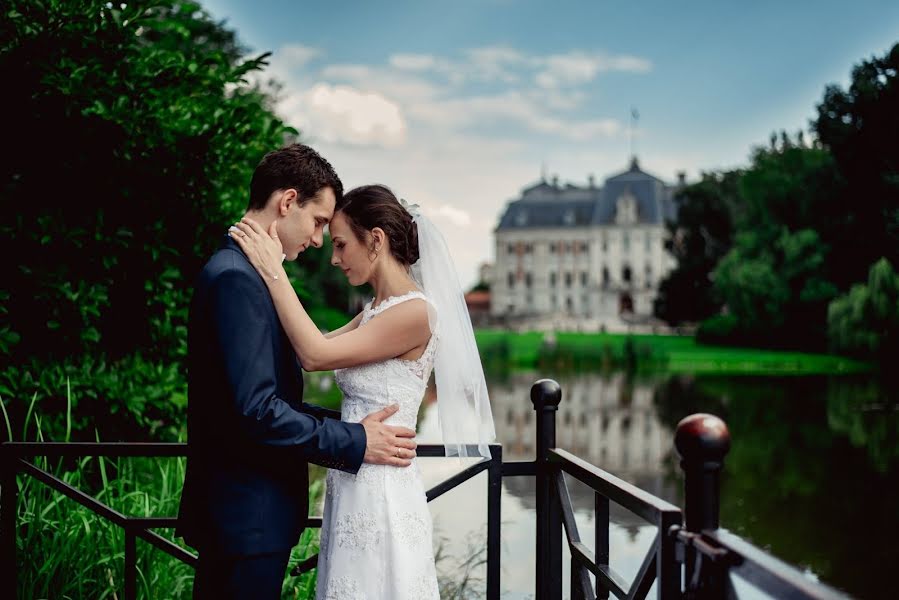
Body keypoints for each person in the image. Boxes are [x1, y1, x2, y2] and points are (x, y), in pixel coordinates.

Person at [230, 183, 495, 599]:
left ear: (375, 240)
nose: (333, 259)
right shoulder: (374, 311)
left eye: (339, 245)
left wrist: (273, 271)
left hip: (383, 490)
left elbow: (316, 354)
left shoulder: (415, 312)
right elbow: (308, 349)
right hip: (353, 473)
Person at [177, 146, 419, 600]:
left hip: (247, 517)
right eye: (319, 223)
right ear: (287, 202)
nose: (317, 241)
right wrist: (355, 441)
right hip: (246, 519)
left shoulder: (243, 272)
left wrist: (349, 428)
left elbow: (262, 400)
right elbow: (255, 411)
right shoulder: (238, 278)